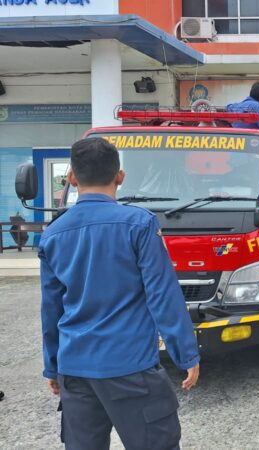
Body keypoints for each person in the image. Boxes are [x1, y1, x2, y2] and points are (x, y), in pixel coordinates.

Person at [39, 138, 200, 449]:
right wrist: (186, 354)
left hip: (76, 371)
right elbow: (163, 295)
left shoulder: (53, 234)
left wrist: (53, 365)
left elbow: (51, 309)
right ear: (120, 176)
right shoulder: (138, 224)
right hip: (132, 368)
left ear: (72, 177)